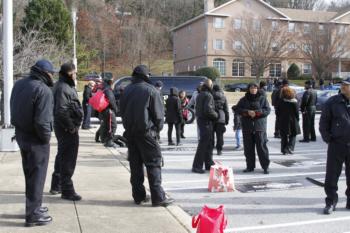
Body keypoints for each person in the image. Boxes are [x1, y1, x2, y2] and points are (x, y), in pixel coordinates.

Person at [120, 65, 174, 207]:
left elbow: (121, 111)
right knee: (153, 164)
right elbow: (159, 116)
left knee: (135, 165)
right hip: (146, 133)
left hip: (130, 133)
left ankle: (138, 196)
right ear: (145, 76)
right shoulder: (151, 90)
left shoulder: (126, 90)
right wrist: (156, 131)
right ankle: (158, 197)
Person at [10, 60, 55, 226]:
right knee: (37, 176)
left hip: (22, 135)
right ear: (45, 73)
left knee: (30, 175)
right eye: (52, 73)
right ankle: (33, 214)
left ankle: (34, 206)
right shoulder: (43, 90)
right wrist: (46, 138)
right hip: (36, 139)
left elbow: (12, 108)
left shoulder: (20, 84)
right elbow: (43, 122)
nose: (53, 76)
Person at [50, 62, 83, 201]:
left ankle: (56, 185)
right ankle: (67, 190)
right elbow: (61, 111)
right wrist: (71, 127)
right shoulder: (63, 87)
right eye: (75, 73)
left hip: (64, 127)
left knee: (62, 155)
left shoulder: (63, 85)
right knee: (68, 159)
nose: (76, 75)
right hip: (66, 128)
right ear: (70, 73)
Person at [319, 77, 350, 215]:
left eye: (347, 85)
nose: (343, 87)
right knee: (332, 175)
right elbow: (324, 122)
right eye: (343, 84)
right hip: (337, 144)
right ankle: (331, 201)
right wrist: (328, 138)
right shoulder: (333, 102)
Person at [236, 82, 271, 174]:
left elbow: (267, 110)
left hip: (259, 127)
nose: (253, 89)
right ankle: (250, 166)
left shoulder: (263, 99)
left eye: (255, 88)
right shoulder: (243, 99)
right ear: (248, 89)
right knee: (248, 149)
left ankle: (265, 166)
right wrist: (247, 112)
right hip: (247, 127)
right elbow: (237, 109)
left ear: (258, 89)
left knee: (262, 148)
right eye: (251, 88)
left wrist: (257, 112)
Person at [192, 79, 218, 174]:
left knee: (208, 143)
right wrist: (216, 115)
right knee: (203, 144)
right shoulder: (208, 95)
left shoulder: (200, 94)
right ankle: (197, 166)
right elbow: (208, 110)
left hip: (201, 120)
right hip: (206, 121)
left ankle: (208, 163)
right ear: (210, 86)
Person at [277, 87, 300, 155]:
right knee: (293, 134)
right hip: (293, 120)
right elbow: (296, 112)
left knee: (284, 135)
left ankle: (283, 150)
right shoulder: (294, 102)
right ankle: (289, 147)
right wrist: (297, 119)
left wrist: (279, 118)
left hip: (283, 120)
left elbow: (277, 111)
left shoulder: (281, 101)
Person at [99, 76, 118, 148]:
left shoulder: (104, 89)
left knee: (107, 126)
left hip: (105, 110)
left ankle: (106, 140)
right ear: (111, 83)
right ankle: (109, 141)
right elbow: (111, 101)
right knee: (113, 125)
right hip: (109, 110)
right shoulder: (108, 90)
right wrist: (115, 109)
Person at [212, 84, 229, 155]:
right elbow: (226, 109)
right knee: (220, 135)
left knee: (211, 135)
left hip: (212, 117)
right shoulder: (223, 97)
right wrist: (227, 120)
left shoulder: (210, 96)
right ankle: (219, 150)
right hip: (221, 117)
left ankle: (210, 149)